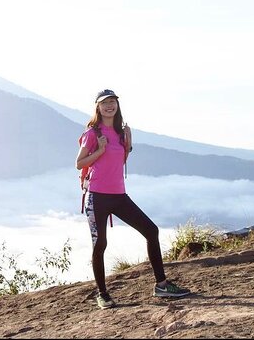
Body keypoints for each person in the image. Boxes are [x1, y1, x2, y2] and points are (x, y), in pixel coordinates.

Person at [75, 88, 190, 309]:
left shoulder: (121, 132)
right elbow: (79, 163)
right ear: (97, 107)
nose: (110, 106)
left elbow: (119, 160)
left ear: (117, 106)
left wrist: (128, 143)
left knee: (151, 230)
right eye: (105, 102)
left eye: (113, 102)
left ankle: (162, 285)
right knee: (100, 244)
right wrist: (99, 150)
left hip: (118, 195)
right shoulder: (92, 134)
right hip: (97, 196)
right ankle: (102, 294)